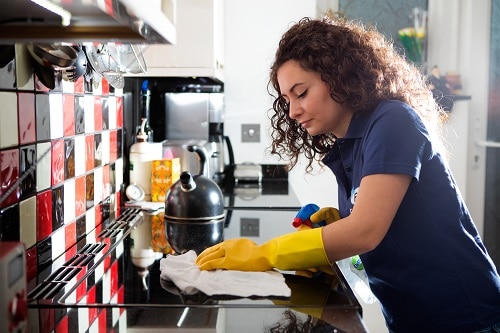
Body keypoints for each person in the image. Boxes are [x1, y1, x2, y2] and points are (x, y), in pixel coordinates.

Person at [196, 16, 500, 333]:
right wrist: (333, 237)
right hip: (412, 321)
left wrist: (266, 253)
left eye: (301, 93)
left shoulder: (393, 121)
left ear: (339, 76)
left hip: (467, 319)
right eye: (286, 100)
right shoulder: (351, 145)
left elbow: (365, 231)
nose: (292, 111)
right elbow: (369, 257)